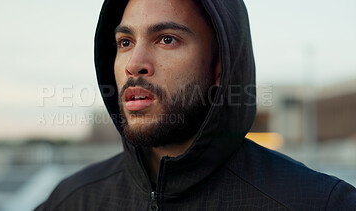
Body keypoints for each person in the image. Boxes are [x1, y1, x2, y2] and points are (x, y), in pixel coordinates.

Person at [36, 0, 356, 210]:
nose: (135, 64)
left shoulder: (317, 203)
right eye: (125, 42)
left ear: (220, 67)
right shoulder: (72, 200)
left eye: (167, 39)